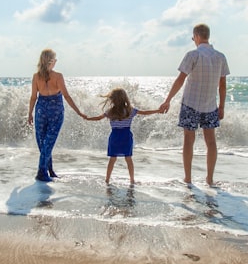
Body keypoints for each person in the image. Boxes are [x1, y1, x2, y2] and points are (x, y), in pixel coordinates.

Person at [158, 23, 230, 186]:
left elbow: (180, 80)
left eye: (193, 38)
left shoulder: (192, 55)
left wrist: (167, 100)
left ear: (197, 36)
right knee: (211, 142)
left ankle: (188, 178)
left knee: (188, 141)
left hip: (190, 103)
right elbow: (223, 85)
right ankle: (209, 179)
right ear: (208, 36)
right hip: (211, 105)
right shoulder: (220, 56)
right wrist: (222, 106)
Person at [28, 49, 84, 182]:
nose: (56, 62)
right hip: (55, 111)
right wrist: (78, 111)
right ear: (51, 61)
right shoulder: (58, 76)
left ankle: (49, 170)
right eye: (55, 59)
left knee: (44, 143)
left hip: (41, 110)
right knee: (48, 142)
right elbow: (66, 96)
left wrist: (30, 113)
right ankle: (41, 172)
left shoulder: (36, 76)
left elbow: (33, 97)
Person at [85, 88, 160, 185]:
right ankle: (132, 180)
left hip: (115, 137)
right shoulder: (130, 110)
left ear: (112, 99)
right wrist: (158, 110)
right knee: (128, 159)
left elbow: (98, 118)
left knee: (112, 159)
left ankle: (107, 179)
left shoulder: (110, 112)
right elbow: (145, 112)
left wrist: (87, 118)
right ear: (125, 98)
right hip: (126, 136)